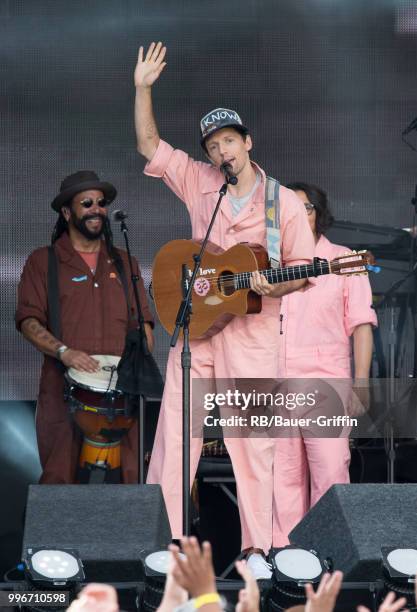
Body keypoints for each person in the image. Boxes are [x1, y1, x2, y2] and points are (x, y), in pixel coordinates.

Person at [134, 42, 315, 579]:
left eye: (229, 141)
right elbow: (149, 144)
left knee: (253, 442)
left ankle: (258, 551)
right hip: (197, 327)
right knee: (174, 438)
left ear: (248, 142)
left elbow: (303, 269)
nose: (221, 152)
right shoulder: (200, 182)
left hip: (253, 331)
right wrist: (143, 88)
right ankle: (161, 545)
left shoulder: (284, 202)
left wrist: (273, 285)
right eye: (213, 146)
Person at [16, 170, 154, 484]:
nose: (96, 209)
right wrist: (64, 352)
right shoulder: (44, 261)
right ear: (67, 212)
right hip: (63, 390)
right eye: (87, 203)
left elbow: (144, 325)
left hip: (122, 395)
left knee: (130, 484)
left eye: (101, 203)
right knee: (59, 482)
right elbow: (28, 320)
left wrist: (136, 368)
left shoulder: (124, 262)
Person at [272, 182, 377, 547]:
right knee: (282, 478)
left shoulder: (344, 259)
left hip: (326, 384)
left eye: (307, 208)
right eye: (291, 208)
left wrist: (360, 384)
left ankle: (327, 562)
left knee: (330, 475)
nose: (299, 215)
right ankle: (283, 566)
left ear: (319, 213)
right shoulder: (273, 266)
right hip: (278, 384)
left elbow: (361, 326)